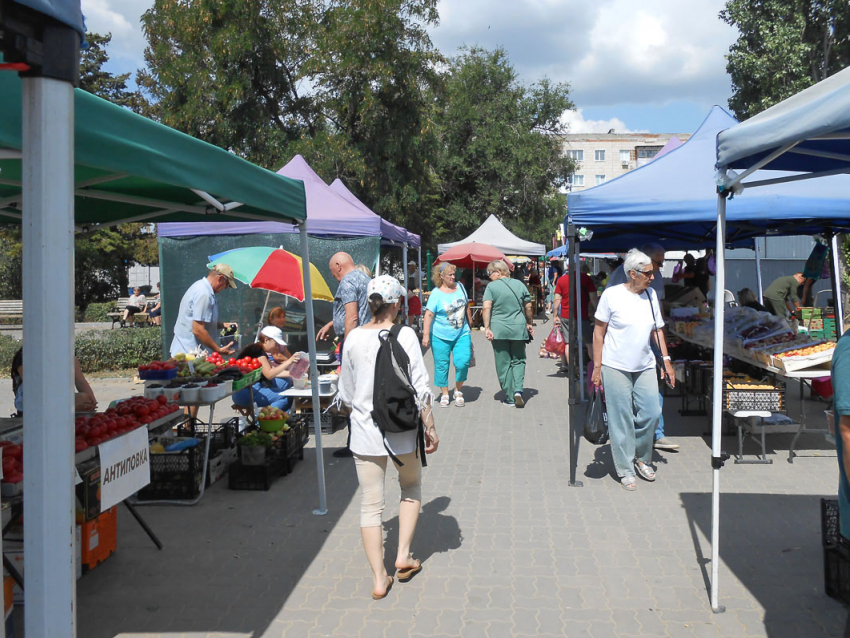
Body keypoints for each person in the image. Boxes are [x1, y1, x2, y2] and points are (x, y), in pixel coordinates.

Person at [337, 275, 439, 600]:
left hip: (365, 434)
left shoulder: (351, 338)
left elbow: (346, 395)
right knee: (410, 486)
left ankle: (380, 579)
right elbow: (420, 386)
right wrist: (431, 427)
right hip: (402, 430)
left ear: (369, 303)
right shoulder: (406, 334)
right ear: (397, 303)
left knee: (370, 505)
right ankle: (403, 555)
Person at [591, 249, 674, 491]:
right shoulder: (611, 295)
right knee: (621, 418)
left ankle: (641, 456)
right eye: (648, 272)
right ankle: (626, 468)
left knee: (651, 411)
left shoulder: (650, 296)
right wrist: (597, 366)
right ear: (633, 273)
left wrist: (666, 361)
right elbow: (599, 332)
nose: (653, 276)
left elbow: (657, 330)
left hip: (645, 364)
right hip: (615, 365)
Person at [606, 243, 676, 451]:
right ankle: (641, 439)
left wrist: (665, 358)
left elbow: (657, 316)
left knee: (652, 399)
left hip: (646, 342)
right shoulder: (627, 277)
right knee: (624, 402)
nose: (659, 268)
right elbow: (604, 319)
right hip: (622, 349)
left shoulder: (650, 282)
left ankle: (653, 433)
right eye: (659, 262)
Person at [317, 252, 372, 457]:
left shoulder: (348, 281)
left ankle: (356, 444)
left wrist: (346, 350)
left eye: (333, 272)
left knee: (351, 395)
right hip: (367, 341)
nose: (334, 276)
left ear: (339, 266)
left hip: (355, 345)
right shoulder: (364, 279)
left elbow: (353, 316)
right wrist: (333, 322)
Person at [483, 259, 534, 408]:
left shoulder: (491, 287)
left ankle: (510, 397)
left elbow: (486, 308)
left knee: (503, 362)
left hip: (499, 329)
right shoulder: (520, 284)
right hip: (518, 328)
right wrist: (529, 323)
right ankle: (518, 390)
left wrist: (487, 327)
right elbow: (528, 306)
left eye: (490, 273)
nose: (489, 276)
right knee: (519, 360)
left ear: (498, 272)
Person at [422, 263, 472, 408]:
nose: (452, 277)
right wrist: (425, 335)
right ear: (441, 276)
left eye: (453, 274)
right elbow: (429, 314)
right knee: (441, 365)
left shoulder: (461, 287)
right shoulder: (436, 293)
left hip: (462, 333)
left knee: (463, 362)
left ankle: (458, 390)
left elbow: (467, 306)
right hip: (440, 335)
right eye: (449, 274)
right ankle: (444, 393)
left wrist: (470, 323)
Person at [170, 265, 239, 357]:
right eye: (227, 284)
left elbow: (203, 321)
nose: (226, 287)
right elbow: (198, 329)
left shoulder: (200, 287)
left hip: (188, 352)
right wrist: (218, 349)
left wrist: (224, 325)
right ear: (220, 278)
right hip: (189, 355)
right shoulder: (204, 294)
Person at [230, 327, 302, 412]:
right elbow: (269, 375)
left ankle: (277, 415)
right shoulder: (258, 351)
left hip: (248, 389)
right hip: (245, 392)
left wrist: (295, 373)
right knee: (285, 396)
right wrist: (289, 361)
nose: (277, 346)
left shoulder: (259, 349)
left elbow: (275, 371)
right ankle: (265, 420)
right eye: (276, 343)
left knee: (286, 382)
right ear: (266, 340)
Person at [11, 348, 97, 415]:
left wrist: (92, 403)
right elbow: (36, 392)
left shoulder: (66, 348)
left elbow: (80, 381)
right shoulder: (25, 355)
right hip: (34, 404)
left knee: (84, 398)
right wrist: (67, 408)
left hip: (59, 398)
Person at [553, 263, 598, 370]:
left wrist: (555, 315)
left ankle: (572, 371)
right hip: (583, 315)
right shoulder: (586, 278)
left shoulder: (561, 280)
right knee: (588, 343)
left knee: (568, 343)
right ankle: (594, 369)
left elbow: (557, 299)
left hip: (565, 315)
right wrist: (598, 312)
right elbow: (593, 298)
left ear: (568, 267)